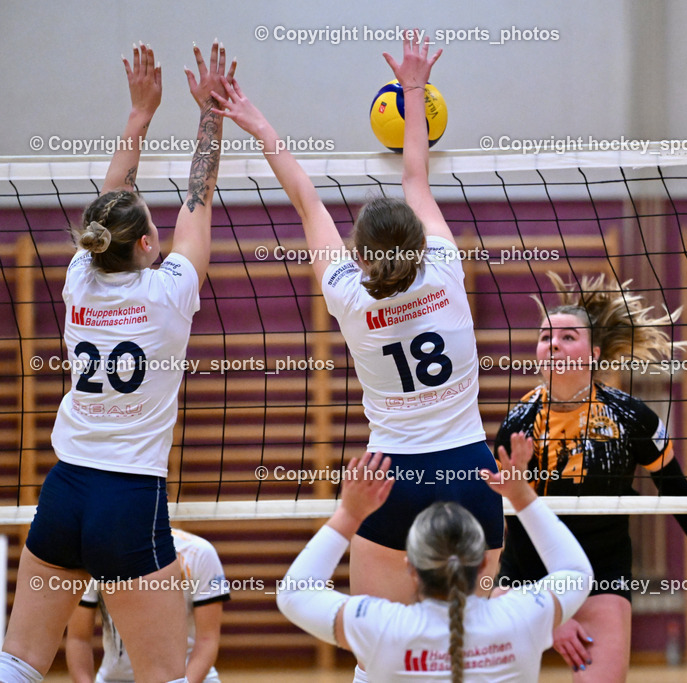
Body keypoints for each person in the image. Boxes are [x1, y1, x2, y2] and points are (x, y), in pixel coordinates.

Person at [212, 29, 502, 653]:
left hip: (389, 477)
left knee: (381, 654)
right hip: (473, 472)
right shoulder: (447, 272)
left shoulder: (347, 295)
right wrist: (416, 90)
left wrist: (259, 126)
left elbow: (304, 197)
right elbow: (416, 181)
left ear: (362, 256)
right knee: (475, 649)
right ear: (418, 245)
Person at [0, 42, 232, 683]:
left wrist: (138, 113)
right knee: (164, 674)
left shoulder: (79, 279)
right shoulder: (170, 291)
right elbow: (199, 195)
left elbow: (108, 201)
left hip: (66, 490)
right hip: (129, 500)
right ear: (149, 244)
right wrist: (210, 113)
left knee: (18, 661)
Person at [494, 273, 687, 682]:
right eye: (547, 337)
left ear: (593, 353)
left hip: (602, 572)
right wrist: (547, 615)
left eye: (568, 337)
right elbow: (515, 521)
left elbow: (675, 490)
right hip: (527, 577)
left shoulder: (631, 417)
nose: (554, 345)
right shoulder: (519, 424)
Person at [276, 435, 594, 682]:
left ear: (411, 568)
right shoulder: (521, 617)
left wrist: (348, 515)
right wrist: (522, 496)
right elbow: (577, 572)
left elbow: (294, 593)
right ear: (483, 563)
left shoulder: (381, 626)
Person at [65, 528, 231, 683]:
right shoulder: (94, 554)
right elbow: (78, 639)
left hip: (187, 678)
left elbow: (207, 640)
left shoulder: (197, 552)